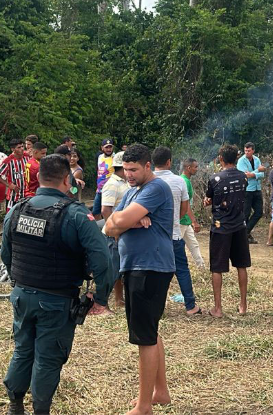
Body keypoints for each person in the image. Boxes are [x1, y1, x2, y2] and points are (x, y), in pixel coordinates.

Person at [1, 154, 113, 415]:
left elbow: (7, 255)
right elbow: (102, 261)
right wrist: (102, 296)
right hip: (56, 300)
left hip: (21, 295)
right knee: (48, 359)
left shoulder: (17, 209)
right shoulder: (76, 214)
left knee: (23, 350)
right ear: (67, 179)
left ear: (39, 178)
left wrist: (20, 281)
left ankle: (15, 406)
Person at [104, 144, 175, 415]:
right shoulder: (133, 191)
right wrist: (129, 221)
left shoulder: (156, 188)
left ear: (148, 166)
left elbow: (117, 221)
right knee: (150, 331)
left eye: (134, 169)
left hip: (150, 267)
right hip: (136, 266)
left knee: (143, 337)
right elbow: (110, 225)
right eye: (125, 170)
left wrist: (125, 221)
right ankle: (161, 392)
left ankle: (144, 406)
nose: (129, 175)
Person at [152, 146, 201, 317]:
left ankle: (156, 308)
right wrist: (174, 220)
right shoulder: (178, 181)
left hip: (152, 237)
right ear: (169, 162)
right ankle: (190, 306)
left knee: (154, 272)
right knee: (181, 269)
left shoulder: (147, 180)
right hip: (173, 234)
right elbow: (184, 208)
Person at [204, 144, 250, 318]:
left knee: (217, 267)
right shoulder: (243, 177)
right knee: (241, 265)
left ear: (221, 159)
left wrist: (208, 202)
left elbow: (210, 198)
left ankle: (218, 308)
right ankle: (243, 305)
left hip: (220, 227)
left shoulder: (215, 178)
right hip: (239, 225)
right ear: (237, 158)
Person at [101, 150, 129, 308]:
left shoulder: (124, 183)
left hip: (122, 231)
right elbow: (106, 210)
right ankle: (102, 302)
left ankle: (119, 299)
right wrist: (115, 230)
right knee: (113, 269)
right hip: (114, 234)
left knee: (120, 268)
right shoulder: (112, 184)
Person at [236, 142, 266, 244]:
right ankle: (244, 235)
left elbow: (262, 174)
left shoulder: (257, 159)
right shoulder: (241, 161)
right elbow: (245, 175)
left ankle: (245, 232)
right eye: (245, 150)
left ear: (253, 150)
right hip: (247, 189)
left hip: (257, 189)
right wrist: (257, 170)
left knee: (259, 212)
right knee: (246, 213)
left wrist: (254, 173)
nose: (247, 152)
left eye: (249, 151)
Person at [180, 158, 205, 269]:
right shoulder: (184, 181)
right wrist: (194, 221)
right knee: (174, 245)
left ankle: (201, 267)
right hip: (181, 220)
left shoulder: (185, 180)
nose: (197, 169)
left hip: (185, 220)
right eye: (195, 167)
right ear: (188, 168)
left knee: (193, 244)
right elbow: (186, 205)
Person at [0, 139, 30, 212]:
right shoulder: (8, 161)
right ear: (13, 149)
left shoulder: (27, 157)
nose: (22, 149)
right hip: (14, 196)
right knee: (11, 217)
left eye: (22, 146)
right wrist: (8, 185)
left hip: (27, 195)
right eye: (19, 147)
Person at [93, 138, 115, 217]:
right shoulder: (99, 157)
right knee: (95, 212)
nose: (109, 149)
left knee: (107, 212)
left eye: (110, 147)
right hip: (99, 190)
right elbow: (99, 171)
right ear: (102, 147)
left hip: (110, 189)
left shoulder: (115, 158)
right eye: (106, 147)